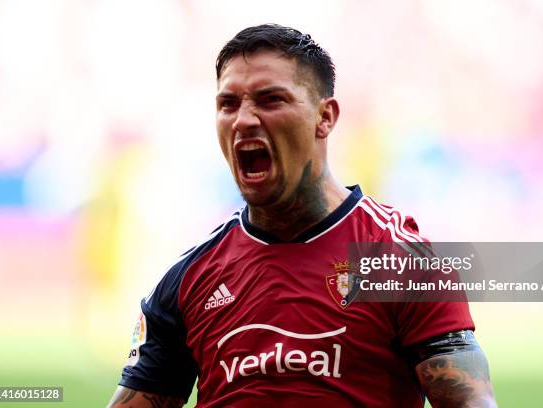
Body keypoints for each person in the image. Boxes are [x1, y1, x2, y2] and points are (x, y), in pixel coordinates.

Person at [107, 24, 497, 407]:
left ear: (325, 118)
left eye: (270, 99)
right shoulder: (189, 278)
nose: (243, 120)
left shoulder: (397, 258)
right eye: (228, 104)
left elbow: (469, 399)